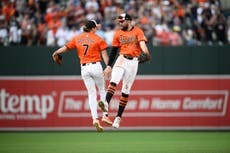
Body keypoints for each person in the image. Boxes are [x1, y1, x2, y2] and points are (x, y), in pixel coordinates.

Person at [52, 20, 112, 132]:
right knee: (102, 90)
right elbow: (104, 54)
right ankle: (105, 115)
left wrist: (56, 52)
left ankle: (95, 119)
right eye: (95, 27)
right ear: (92, 29)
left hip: (84, 68)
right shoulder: (98, 38)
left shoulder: (77, 38)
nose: (96, 29)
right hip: (96, 66)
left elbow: (65, 48)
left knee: (91, 94)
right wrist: (108, 67)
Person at [101, 13, 151, 128]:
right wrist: (109, 66)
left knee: (125, 91)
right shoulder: (118, 33)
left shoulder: (138, 31)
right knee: (114, 81)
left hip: (133, 62)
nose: (120, 23)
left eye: (122, 21)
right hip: (122, 58)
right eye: (119, 21)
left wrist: (146, 53)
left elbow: (143, 45)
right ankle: (105, 104)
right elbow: (113, 51)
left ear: (128, 21)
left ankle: (118, 117)